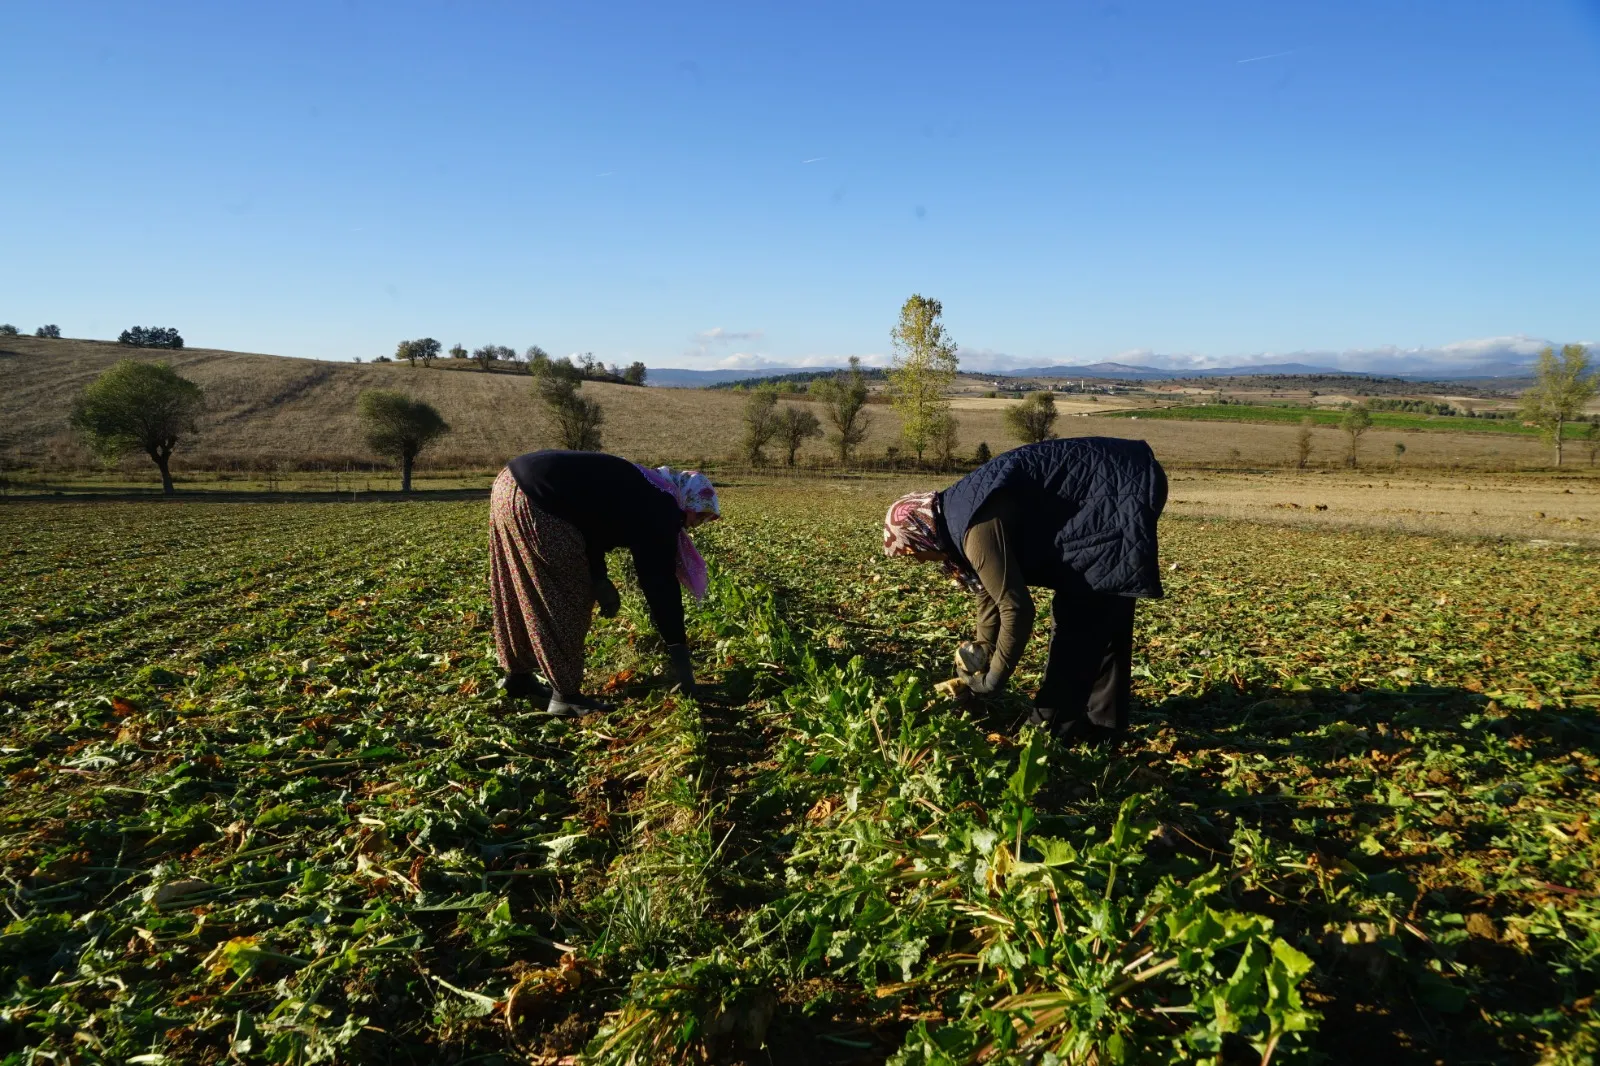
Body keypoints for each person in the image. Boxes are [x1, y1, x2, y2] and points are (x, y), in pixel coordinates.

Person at [882, 437, 1167, 744]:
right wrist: (979, 655)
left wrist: (992, 681)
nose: (920, 561)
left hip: (1116, 491)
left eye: (913, 552)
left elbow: (1016, 609)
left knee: (1080, 616)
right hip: (1121, 479)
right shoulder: (956, 514)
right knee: (1107, 614)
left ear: (921, 533)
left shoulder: (974, 532)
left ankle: (1048, 731)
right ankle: (1104, 726)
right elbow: (989, 595)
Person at [489, 449, 720, 715]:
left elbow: (590, 523)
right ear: (687, 497)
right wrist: (681, 658)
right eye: (699, 515)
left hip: (508, 484)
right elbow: (658, 581)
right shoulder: (662, 506)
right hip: (539, 498)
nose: (696, 525)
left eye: (705, 520)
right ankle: (565, 695)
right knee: (569, 597)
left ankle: (518, 678)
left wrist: (599, 577)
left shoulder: (647, 484)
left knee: (518, 585)